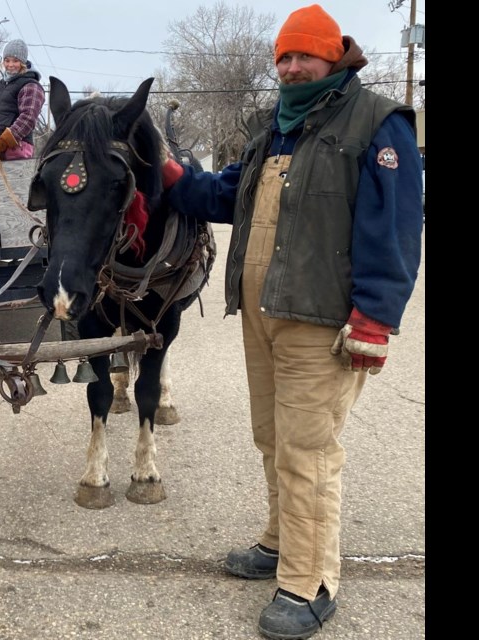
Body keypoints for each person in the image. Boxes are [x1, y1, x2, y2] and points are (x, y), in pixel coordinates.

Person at [161, 5, 423, 640]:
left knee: (308, 451)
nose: (293, 65)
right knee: (272, 439)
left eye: (305, 55)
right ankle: (281, 544)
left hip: (320, 322)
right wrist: (168, 174)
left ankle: (311, 585)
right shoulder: (271, 132)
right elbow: (224, 195)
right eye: (284, 56)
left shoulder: (376, 123)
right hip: (262, 316)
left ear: (335, 57)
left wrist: (375, 318)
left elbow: (395, 226)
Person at [0, 38, 45, 162]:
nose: (10, 65)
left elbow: (28, 117)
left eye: (15, 61)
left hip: (18, 145)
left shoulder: (30, 85)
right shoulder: (0, 86)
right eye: (7, 60)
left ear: (22, 62)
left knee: (14, 177)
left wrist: (7, 139)